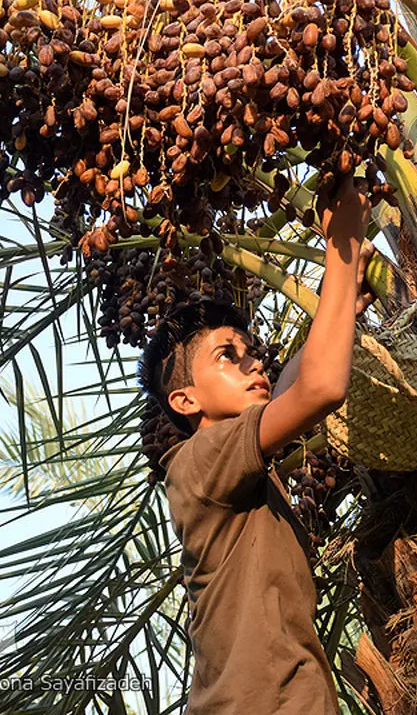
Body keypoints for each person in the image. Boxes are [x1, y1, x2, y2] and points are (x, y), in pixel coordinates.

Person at [137, 175, 374, 714]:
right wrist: (345, 242)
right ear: (185, 401)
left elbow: (292, 383)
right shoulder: (201, 458)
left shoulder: (227, 464)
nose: (251, 361)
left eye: (251, 351)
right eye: (226, 355)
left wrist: (341, 310)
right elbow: (320, 388)